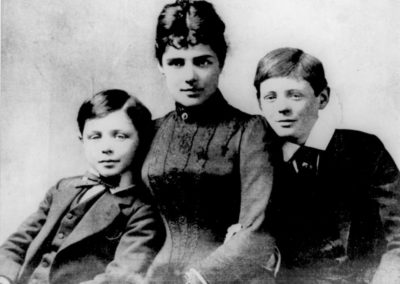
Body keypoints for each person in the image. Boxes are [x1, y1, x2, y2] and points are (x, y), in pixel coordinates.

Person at [141, 0, 278, 283]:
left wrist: (197, 278)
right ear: (160, 65)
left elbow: (258, 232)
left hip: (229, 277)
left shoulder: (250, 130)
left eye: (202, 61)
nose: (190, 76)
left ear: (221, 61)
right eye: (176, 62)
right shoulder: (150, 132)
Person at [253, 47, 400, 283]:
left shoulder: (364, 150)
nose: (282, 107)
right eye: (271, 97)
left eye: (295, 95)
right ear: (259, 102)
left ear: (322, 98)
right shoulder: (256, 160)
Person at [0, 90, 165, 284]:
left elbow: (119, 278)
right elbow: (16, 245)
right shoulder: (63, 189)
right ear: (83, 141)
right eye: (95, 137)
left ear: (141, 140)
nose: (106, 147)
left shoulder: (142, 211)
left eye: (120, 136)